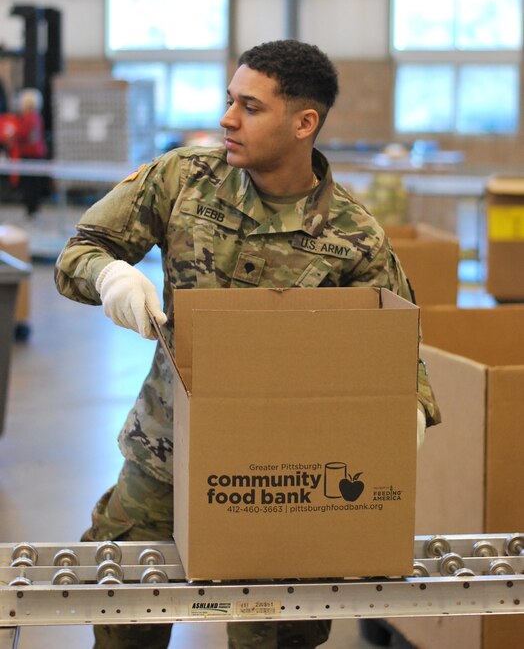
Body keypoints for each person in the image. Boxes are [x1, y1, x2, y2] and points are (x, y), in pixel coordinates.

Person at [55, 39, 441, 649]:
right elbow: (79, 250)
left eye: (251, 107)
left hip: (279, 480)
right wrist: (107, 275)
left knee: (275, 632)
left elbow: (396, 346)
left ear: (303, 122)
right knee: (124, 613)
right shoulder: (185, 180)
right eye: (229, 100)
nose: (226, 119)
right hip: (163, 453)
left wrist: (406, 410)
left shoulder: (351, 237)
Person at [14, 88, 48, 219]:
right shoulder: (36, 116)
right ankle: (33, 210)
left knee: (30, 184)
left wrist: (14, 135)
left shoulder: (30, 117)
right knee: (33, 184)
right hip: (36, 153)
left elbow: (25, 135)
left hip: (31, 154)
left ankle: (32, 210)